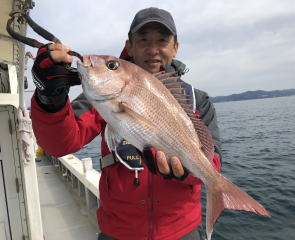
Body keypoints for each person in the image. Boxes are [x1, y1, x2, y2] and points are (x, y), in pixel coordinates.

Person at [31, 7, 222, 240]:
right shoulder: (105, 95)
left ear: (175, 47)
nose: (153, 49)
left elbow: (213, 163)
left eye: (162, 40)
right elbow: (59, 145)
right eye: (143, 39)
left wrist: (184, 173)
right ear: (129, 46)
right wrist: (50, 98)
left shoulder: (196, 100)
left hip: (182, 231)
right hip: (119, 232)